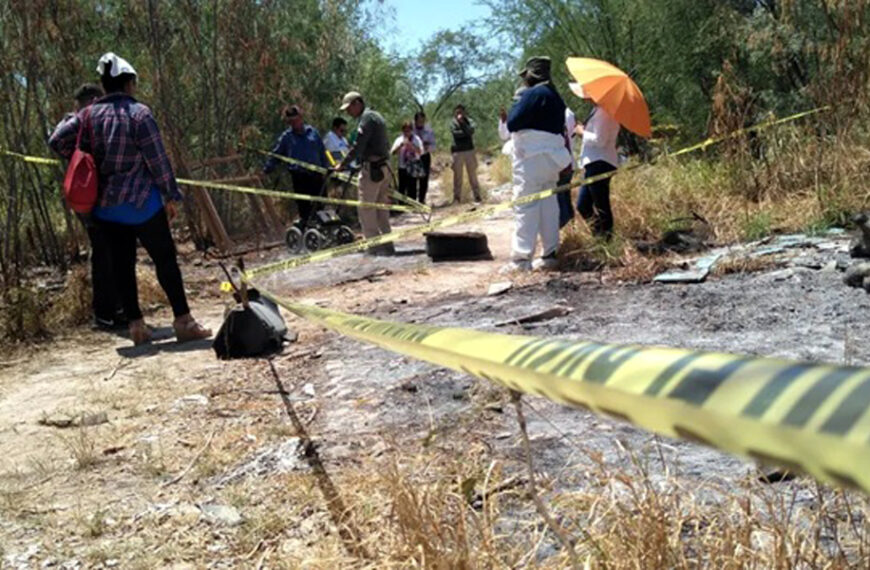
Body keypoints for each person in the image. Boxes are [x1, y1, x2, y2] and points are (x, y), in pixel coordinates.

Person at [48, 52, 210, 345]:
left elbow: (56, 140)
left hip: (107, 209)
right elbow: (158, 161)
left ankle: (137, 328)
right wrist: (170, 196)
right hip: (143, 205)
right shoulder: (139, 114)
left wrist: (78, 136)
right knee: (165, 261)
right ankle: (183, 321)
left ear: (104, 84)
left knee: (122, 265)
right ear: (129, 83)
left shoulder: (88, 115)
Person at [49, 83, 126, 331]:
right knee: (104, 253)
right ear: (93, 100)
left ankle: (118, 309)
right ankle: (106, 313)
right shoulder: (83, 118)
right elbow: (56, 140)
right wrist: (79, 155)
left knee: (114, 251)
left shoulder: (95, 122)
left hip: (108, 197)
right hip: (93, 199)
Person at [503, 56, 572, 272]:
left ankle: (522, 259)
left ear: (531, 76)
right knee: (548, 205)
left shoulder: (532, 94)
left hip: (530, 157)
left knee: (526, 205)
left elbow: (513, 123)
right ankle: (549, 255)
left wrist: (518, 102)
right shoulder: (556, 97)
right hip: (552, 159)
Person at [336, 91, 393, 255]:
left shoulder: (366, 119)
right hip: (384, 166)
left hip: (373, 169)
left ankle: (374, 248)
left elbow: (358, 147)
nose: (348, 113)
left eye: (349, 108)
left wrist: (343, 164)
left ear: (357, 103)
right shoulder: (376, 116)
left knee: (366, 209)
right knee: (381, 208)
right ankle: (387, 245)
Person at [263, 105, 328, 227]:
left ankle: (323, 227)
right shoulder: (287, 137)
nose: (294, 123)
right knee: (304, 207)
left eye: (296, 119)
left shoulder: (313, 133)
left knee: (321, 205)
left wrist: (326, 169)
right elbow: (276, 155)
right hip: (300, 177)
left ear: (301, 118)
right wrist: (266, 170)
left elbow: (322, 152)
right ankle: (307, 229)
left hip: (317, 175)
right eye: (291, 121)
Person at [575, 95, 620, 239]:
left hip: (600, 163)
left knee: (601, 205)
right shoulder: (598, 110)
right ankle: (599, 235)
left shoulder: (604, 113)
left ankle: (606, 239)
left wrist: (582, 132)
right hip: (594, 162)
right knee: (583, 205)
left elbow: (599, 141)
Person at [450, 104, 481, 203]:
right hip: (457, 152)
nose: (459, 114)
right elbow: (456, 134)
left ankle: (477, 196)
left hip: (469, 151)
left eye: (461, 112)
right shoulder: (452, 123)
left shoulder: (470, 121)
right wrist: (465, 132)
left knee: (472, 174)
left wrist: (463, 124)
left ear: (464, 113)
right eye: (457, 112)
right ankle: (457, 197)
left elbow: (471, 131)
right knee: (458, 176)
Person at [390, 121, 425, 202]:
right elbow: (393, 152)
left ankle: (412, 204)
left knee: (412, 186)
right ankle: (401, 205)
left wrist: (412, 146)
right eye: (405, 130)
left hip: (413, 166)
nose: (407, 132)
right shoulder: (399, 140)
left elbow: (421, 152)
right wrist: (401, 146)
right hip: (402, 166)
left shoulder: (416, 139)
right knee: (402, 186)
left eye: (408, 130)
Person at [557, 107, 577, 228]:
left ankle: (565, 227)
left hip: (561, 164)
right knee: (566, 197)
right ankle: (571, 228)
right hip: (569, 162)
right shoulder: (570, 113)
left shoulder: (558, 113)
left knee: (560, 198)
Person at [412, 111, 436, 205]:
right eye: (419, 120)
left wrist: (427, 146)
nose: (421, 122)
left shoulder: (429, 131)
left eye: (423, 120)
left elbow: (433, 146)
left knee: (424, 179)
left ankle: (422, 200)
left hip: (424, 156)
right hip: (413, 157)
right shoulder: (411, 130)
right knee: (412, 179)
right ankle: (412, 201)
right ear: (415, 120)